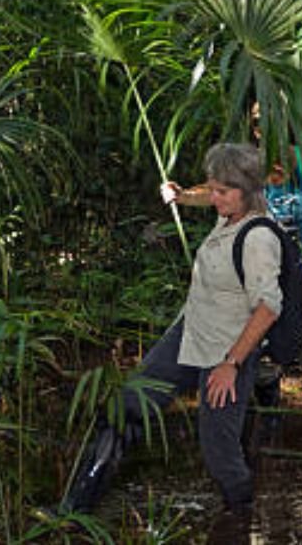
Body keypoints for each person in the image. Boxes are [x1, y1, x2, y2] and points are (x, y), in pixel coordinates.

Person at [61, 143, 280, 522]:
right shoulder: (227, 212)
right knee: (127, 405)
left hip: (226, 350)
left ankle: (241, 520)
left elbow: (269, 307)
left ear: (247, 191)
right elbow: (205, 194)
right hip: (188, 333)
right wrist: (180, 196)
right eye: (212, 189)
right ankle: (75, 507)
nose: (213, 197)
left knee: (219, 451)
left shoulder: (259, 236)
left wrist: (231, 364)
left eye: (221, 192)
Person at [161, 125, 302, 411]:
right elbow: (214, 192)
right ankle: (269, 405)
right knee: (260, 334)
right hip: (262, 264)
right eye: (258, 120)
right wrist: (182, 196)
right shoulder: (249, 165)